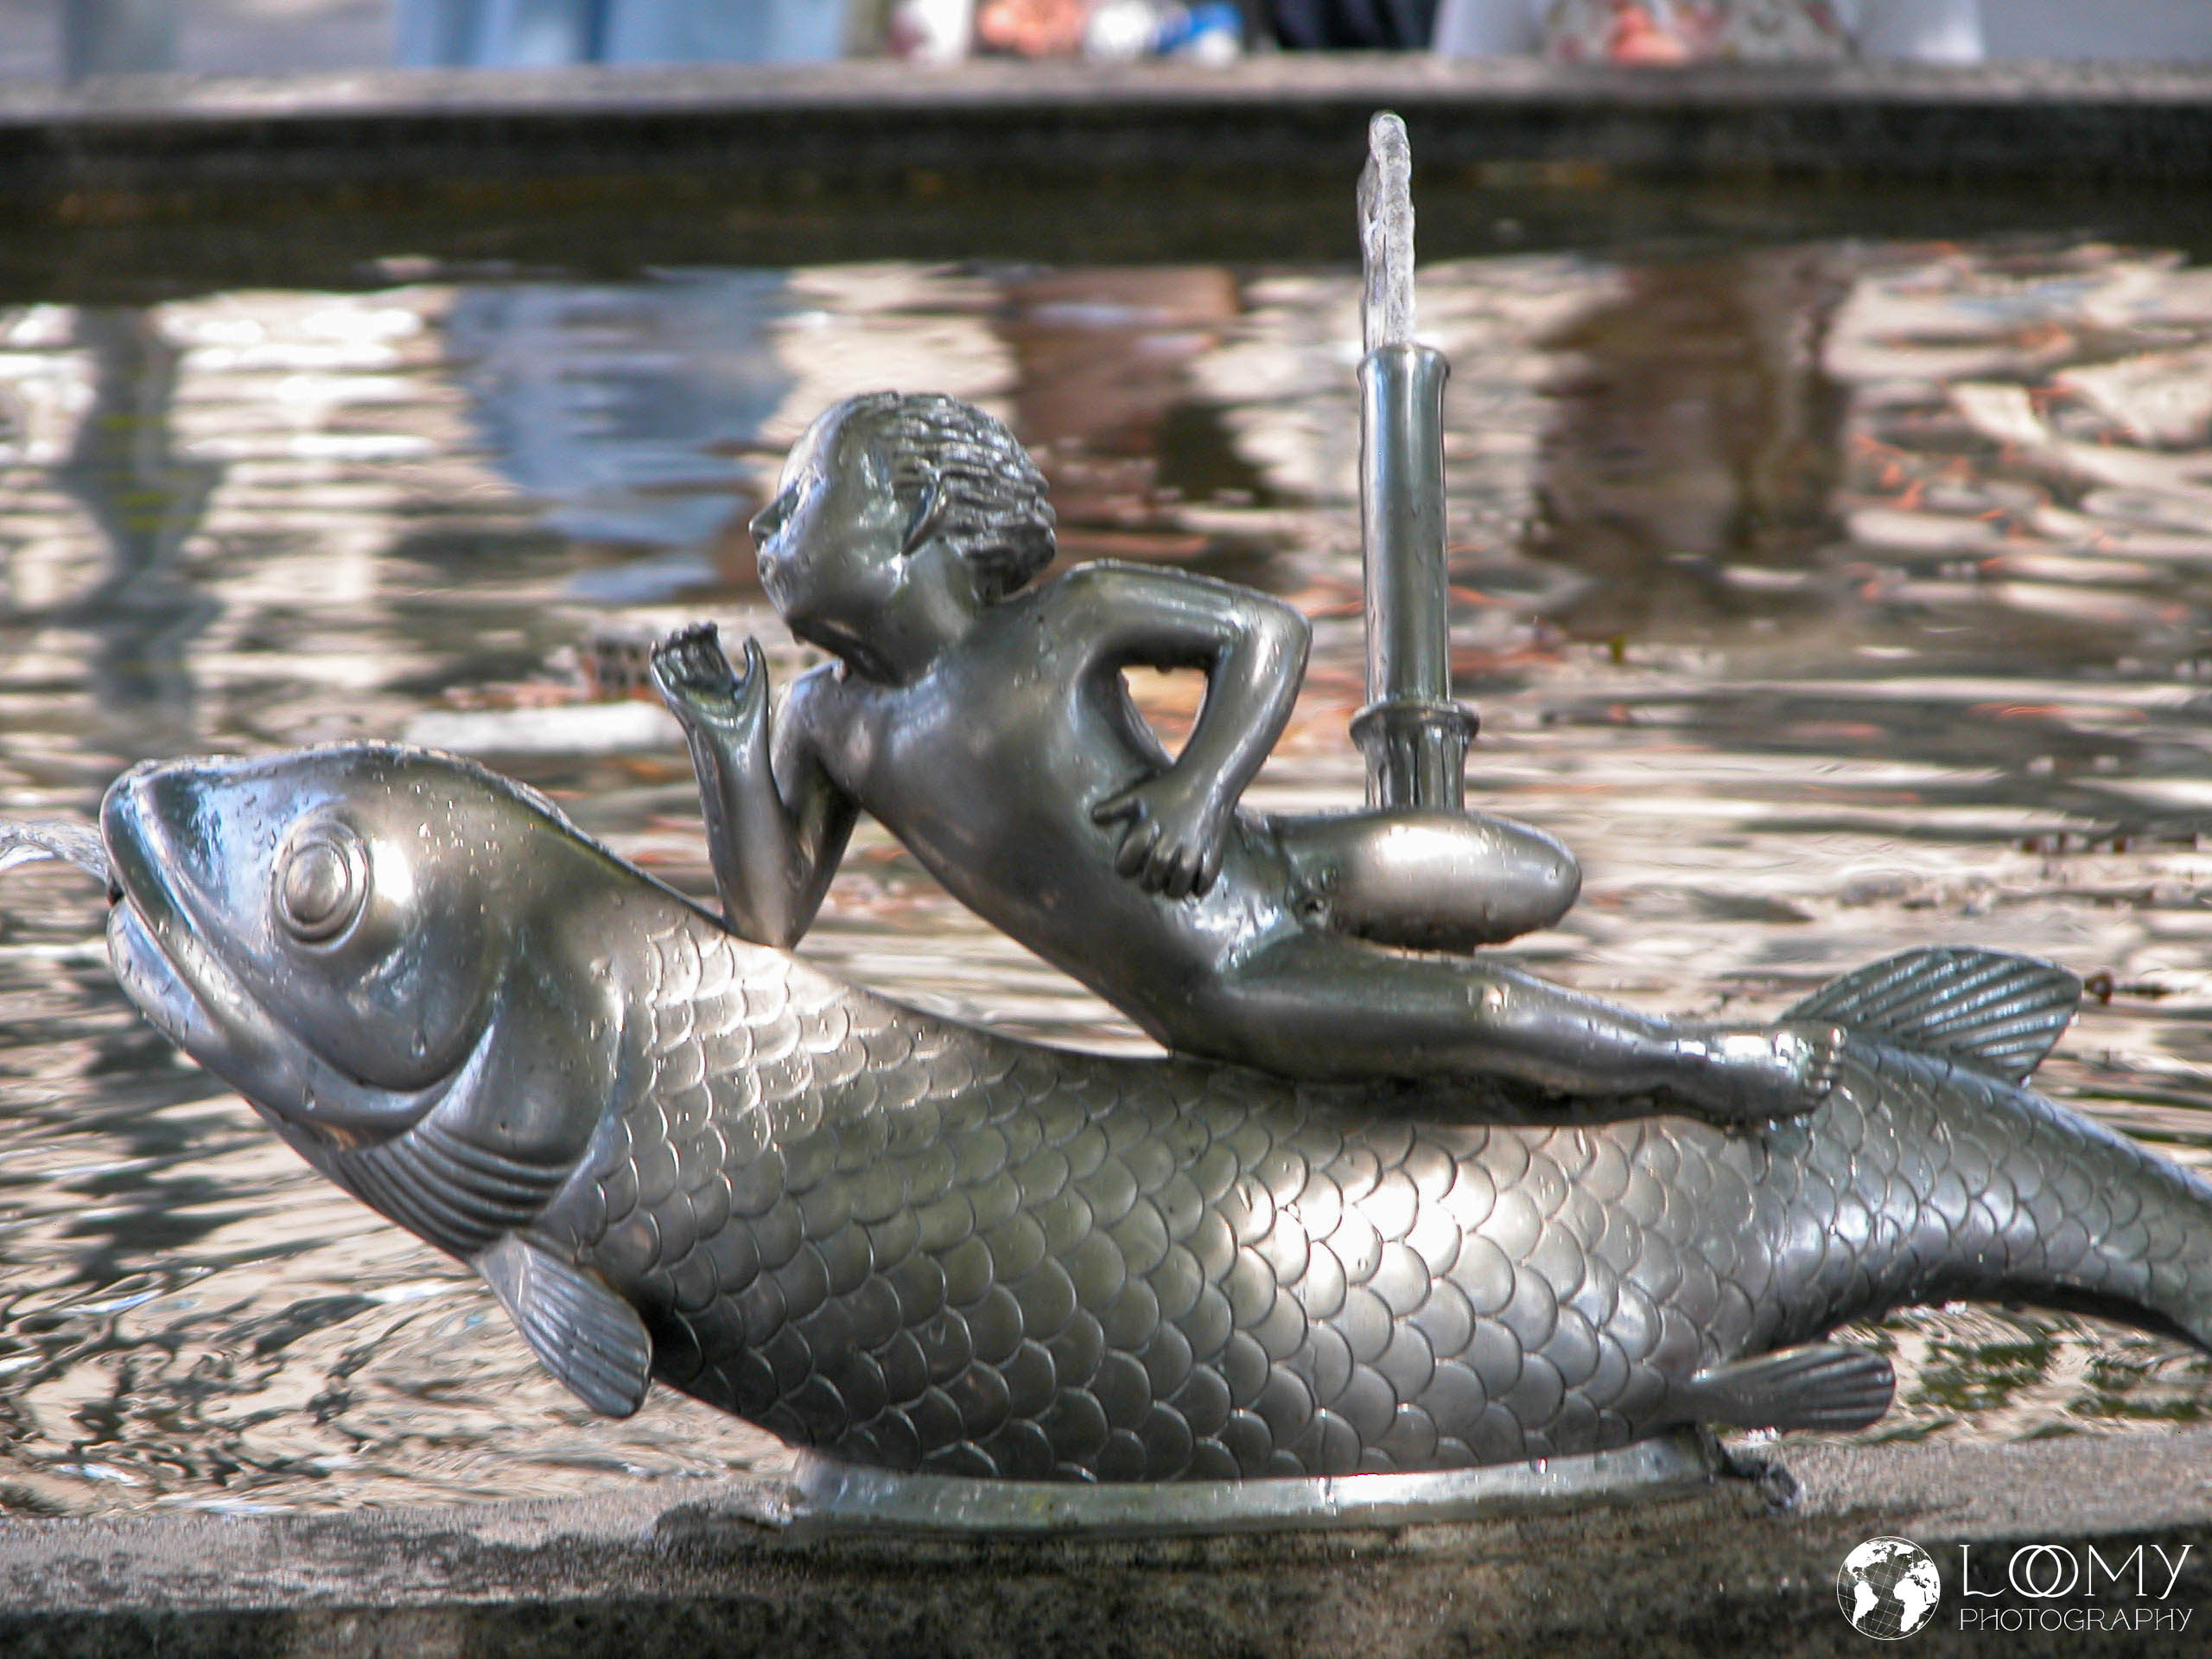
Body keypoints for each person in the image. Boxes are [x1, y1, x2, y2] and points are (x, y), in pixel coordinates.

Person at [652, 391, 1842, 1123]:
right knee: (1476, 1005)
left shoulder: (1068, 618)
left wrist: (1197, 790)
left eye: (799, 497)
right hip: (1223, 980)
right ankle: (1698, 1062)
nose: (762, 529)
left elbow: (1266, 634)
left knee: (1538, 877)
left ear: (912, 508)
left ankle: (1632, 1062)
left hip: (1267, 866)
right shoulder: (824, 720)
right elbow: (768, 923)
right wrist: (723, 742)